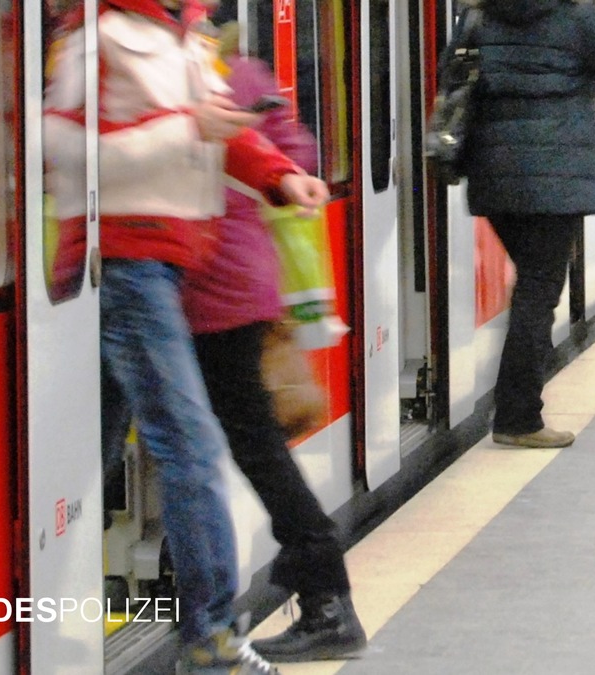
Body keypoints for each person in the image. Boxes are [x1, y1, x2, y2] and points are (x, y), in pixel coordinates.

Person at [43, 1, 329, 672]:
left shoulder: (185, 39)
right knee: (190, 442)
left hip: (170, 261)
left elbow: (222, 130)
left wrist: (277, 175)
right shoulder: (99, 37)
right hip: (124, 260)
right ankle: (211, 636)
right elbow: (60, 144)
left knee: (92, 449)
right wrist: (184, 129)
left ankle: (32, 605)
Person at [180, 27, 367, 662]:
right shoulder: (241, 68)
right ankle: (313, 585)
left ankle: (320, 589)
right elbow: (297, 149)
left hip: (209, 286)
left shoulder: (191, 69)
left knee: (244, 440)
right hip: (238, 280)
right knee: (239, 438)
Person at [459, 0, 595, 449]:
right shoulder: (576, 21)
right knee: (539, 290)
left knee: (533, 285)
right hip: (556, 179)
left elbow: (454, 77)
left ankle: (515, 403)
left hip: (493, 173)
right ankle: (518, 417)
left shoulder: (479, 18)